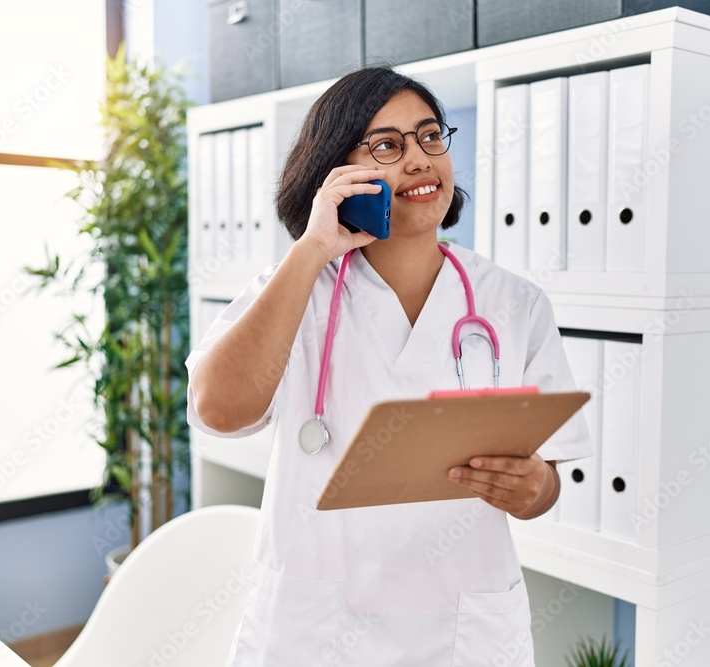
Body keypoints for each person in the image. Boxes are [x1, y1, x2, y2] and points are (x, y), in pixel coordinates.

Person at [185, 66, 592, 667]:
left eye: (431, 136)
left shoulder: (514, 303)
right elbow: (216, 411)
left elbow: (547, 482)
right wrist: (313, 248)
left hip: (462, 627)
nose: (421, 159)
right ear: (336, 172)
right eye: (386, 146)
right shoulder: (295, 287)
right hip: (316, 627)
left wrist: (534, 489)